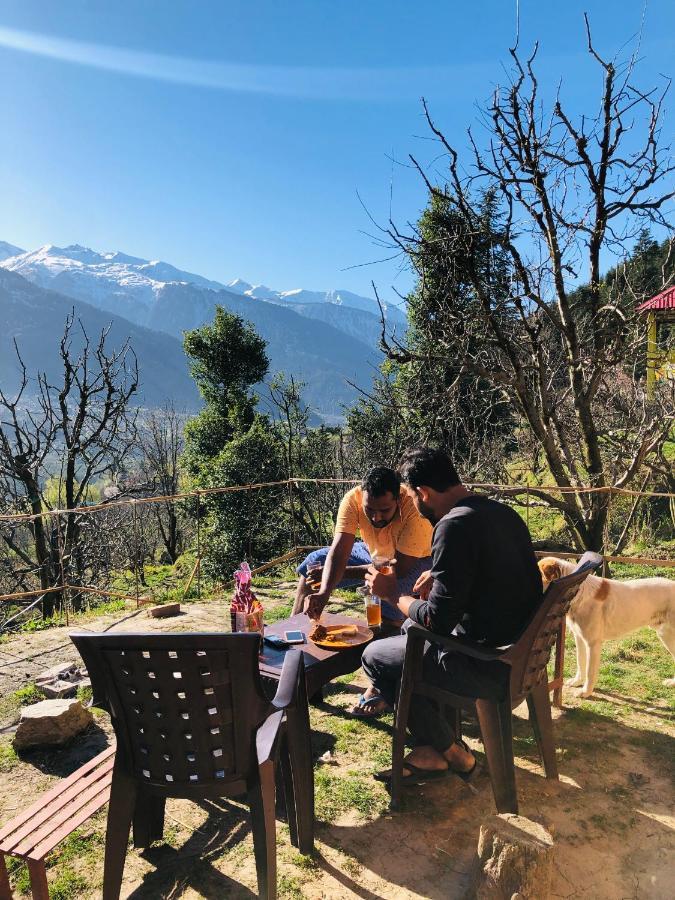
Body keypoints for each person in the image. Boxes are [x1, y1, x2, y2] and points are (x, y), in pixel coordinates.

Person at [351, 446, 542, 784]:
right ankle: (431, 748)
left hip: (485, 663)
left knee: (376, 658)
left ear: (423, 492)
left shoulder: (452, 526)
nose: (416, 505)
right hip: (521, 651)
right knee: (410, 631)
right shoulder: (501, 512)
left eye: (412, 496)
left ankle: (451, 753)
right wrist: (439, 578)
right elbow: (491, 574)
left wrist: (392, 593)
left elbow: (437, 620)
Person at [293, 466, 433, 636]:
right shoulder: (353, 499)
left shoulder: (412, 506)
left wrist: (342, 573)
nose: (376, 517)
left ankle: (384, 644)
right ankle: (294, 629)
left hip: (416, 560)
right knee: (314, 561)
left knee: (385, 590)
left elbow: (399, 568)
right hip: (373, 550)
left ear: (398, 499)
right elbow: (339, 551)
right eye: (370, 509)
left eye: (384, 510)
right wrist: (323, 593)